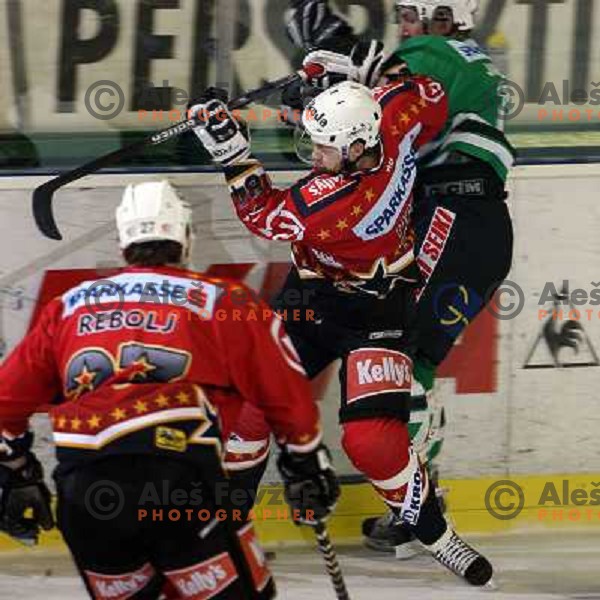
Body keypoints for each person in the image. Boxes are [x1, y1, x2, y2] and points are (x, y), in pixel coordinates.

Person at [189, 77, 493, 586]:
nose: (314, 155)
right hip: (312, 299)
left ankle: (437, 536)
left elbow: (262, 213)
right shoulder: (391, 116)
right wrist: (331, 82)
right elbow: (427, 95)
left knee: (372, 441)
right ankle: (229, 525)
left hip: (377, 314)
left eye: (324, 148)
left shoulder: (334, 203)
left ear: (356, 148)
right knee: (250, 405)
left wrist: (230, 146)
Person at [0, 180, 339, 599]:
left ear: (123, 241)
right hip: (177, 480)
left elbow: (4, 404)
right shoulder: (222, 300)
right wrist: (305, 461)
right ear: (185, 238)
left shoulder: (67, 306)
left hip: (86, 493)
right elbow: (284, 389)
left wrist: (16, 474)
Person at [285, 0, 515, 555]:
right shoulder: (475, 61)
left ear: (444, 14)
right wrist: (335, 72)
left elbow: (383, 111)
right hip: (484, 231)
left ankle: (418, 509)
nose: (405, 24)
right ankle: (416, 512)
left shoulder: (427, 53)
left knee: (402, 359)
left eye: (413, 12)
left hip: (449, 215)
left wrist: (337, 61)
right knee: (416, 362)